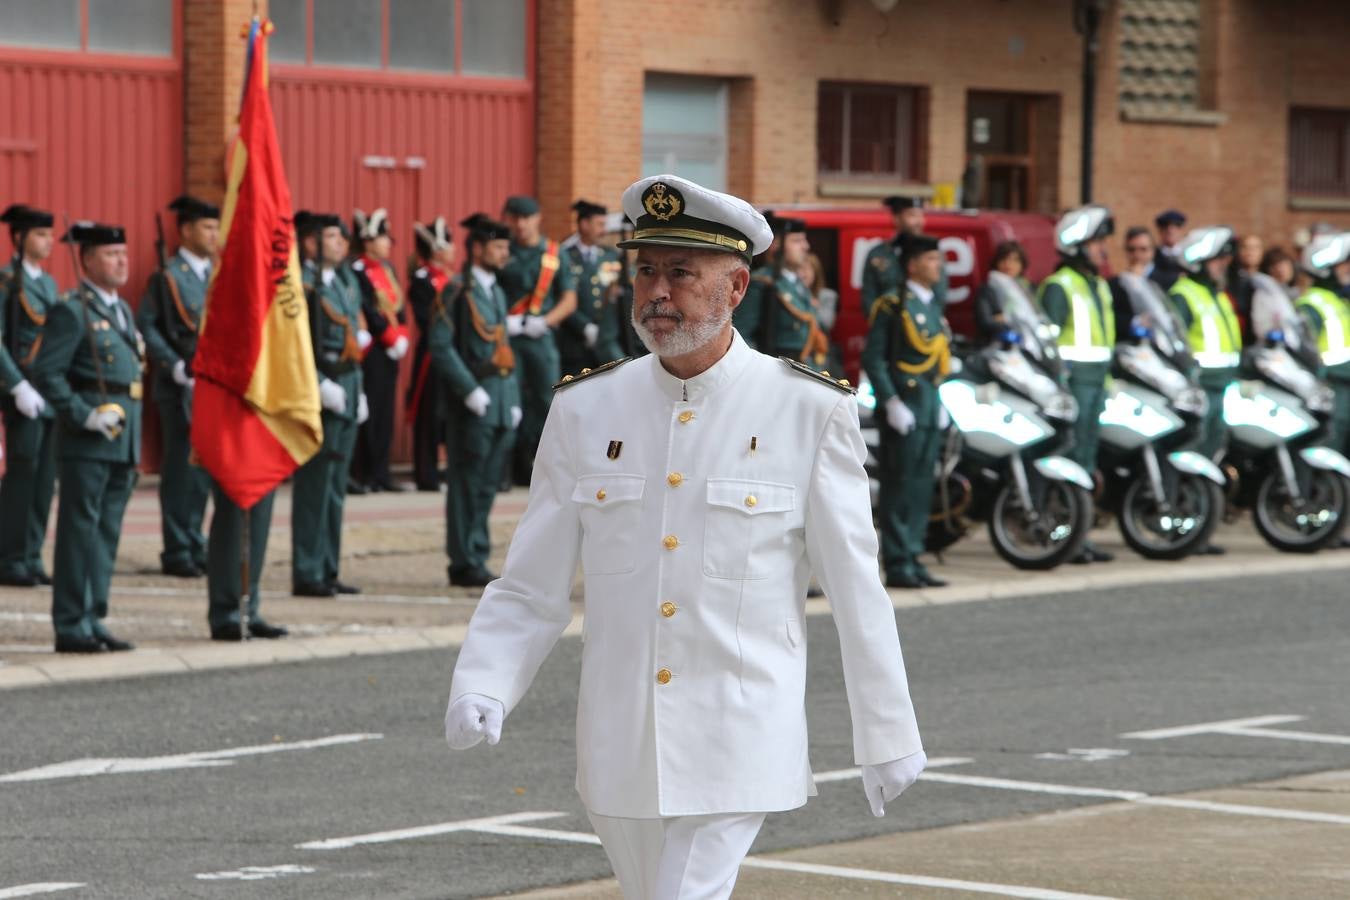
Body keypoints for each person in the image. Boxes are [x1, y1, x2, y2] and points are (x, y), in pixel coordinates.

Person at [443, 175, 925, 900]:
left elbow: (858, 589)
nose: (657, 293)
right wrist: (485, 679)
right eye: (645, 271)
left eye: (680, 273)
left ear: (735, 288)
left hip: (739, 730)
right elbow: (531, 580)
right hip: (619, 738)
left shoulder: (806, 410)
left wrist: (888, 734)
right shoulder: (586, 408)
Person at [29, 222, 141, 653]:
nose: (121, 262)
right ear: (88, 259)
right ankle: (72, 623)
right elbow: (47, 372)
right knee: (80, 531)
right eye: (111, 255)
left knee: (106, 531)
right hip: (88, 438)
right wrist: (82, 414)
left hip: (120, 436)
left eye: (123, 254)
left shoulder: (121, 309)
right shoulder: (72, 310)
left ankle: (94, 615)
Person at [429, 214, 521, 588]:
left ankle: (478, 552)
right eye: (498, 247)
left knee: (486, 485)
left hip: (498, 399)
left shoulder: (496, 292)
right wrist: (468, 390)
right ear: (479, 248)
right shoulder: (456, 290)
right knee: (465, 484)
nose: (504, 254)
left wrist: (512, 398)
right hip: (473, 402)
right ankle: (463, 559)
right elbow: (440, 345)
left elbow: (502, 347)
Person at [862, 232, 951, 589]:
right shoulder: (892, 304)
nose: (938, 266)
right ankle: (897, 562)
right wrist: (891, 401)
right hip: (905, 402)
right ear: (913, 265)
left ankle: (914, 555)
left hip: (927, 403)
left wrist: (938, 400)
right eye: (931, 260)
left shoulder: (930, 305)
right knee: (899, 485)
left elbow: (935, 360)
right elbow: (875, 358)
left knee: (921, 484)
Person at [137, 194, 219, 578]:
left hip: (210, 383)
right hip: (179, 384)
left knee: (203, 470)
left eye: (217, 227)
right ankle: (176, 547)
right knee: (180, 469)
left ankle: (195, 541)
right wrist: (171, 364)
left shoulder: (217, 275)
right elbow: (148, 325)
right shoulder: (167, 276)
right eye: (207, 226)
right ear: (185, 231)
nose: (214, 234)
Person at [292, 212, 367, 598]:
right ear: (310, 243)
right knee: (314, 486)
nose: (342, 244)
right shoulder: (299, 286)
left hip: (348, 385)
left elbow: (353, 334)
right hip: (320, 390)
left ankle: (328, 566)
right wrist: (319, 385)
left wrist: (360, 391)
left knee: (335, 486)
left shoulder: (343, 280)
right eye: (333, 237)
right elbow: (295, 344)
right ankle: (307, 569)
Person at [1038, 204, 1117, 564]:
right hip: (1073, 384)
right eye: (1098, 241)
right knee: (1068, 458)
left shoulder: (1098, 284)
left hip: (1096, 381)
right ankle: (1061, 534)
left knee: (1086, 460)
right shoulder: (1059, 285)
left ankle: (1079, 538)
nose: (1104, 248)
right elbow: (1048, 342)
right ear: (1078, 244)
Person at [498, 194, 578, 484]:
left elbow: (569, 299)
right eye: (514, 218)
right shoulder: (502, 250)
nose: (520, 225)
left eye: (525, 218)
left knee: (546, 402)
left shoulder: (554, 254)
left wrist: (545, 320)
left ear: (537, 218)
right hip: (506, 338)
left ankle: (539, 467)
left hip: (540, 338)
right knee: (509, 400)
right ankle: (506, 469)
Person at [0, 204, 59, 588]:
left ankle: (32, 553)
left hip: (49, 392)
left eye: (50, 234)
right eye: (40, 234)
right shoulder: (7, 281)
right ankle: (9, 556)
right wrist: (15, 384)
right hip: (23, 390)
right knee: (22, 477)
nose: (48, 241)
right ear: (19, 238)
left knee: (44, 478)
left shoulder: (49, 284)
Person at [349, 208, 410, 493]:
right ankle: (365, 473)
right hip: (372, 350)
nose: (388, 244)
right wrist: (387, 337)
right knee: (369, 411)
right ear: (368, 239)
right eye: (383, 238)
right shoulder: (357, 270)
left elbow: (397, 306)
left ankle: (381, 472)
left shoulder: (387, 270)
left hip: (391, 351)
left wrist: (403, 335)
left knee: (385, 412)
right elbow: (366, 309)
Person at [734, 215, 829, 368]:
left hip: (805, 369)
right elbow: (743, 336)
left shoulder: (799, 285)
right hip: (777, 370)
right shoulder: (763, 283)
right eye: (797, 241)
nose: (806, 246)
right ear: (776, 245)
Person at [407, 216, 458, 491]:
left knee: (448, 413)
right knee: (428, 413)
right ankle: (425, 473)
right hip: (431, 356)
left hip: (453, 354)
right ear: (437, 248)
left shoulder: (452, 279)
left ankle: (447, 469)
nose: (453, 250)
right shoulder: (422, 280)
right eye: (449, 244)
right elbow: (427, 320)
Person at [1295, 232, 1350, 453]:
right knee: (1330, 448)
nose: (1349, 268)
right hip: (1331, 387)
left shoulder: (1338, 300)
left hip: (1344, 386)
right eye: (1344, 263)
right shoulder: (1311, 303)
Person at [557, 199, 625, 375]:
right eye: (599, 224)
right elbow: (559, 297)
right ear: (584, 224)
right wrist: (584, 327)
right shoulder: (564, 256)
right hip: (574, 342)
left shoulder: (610, 255)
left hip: (607, 339)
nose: (604, 231)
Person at [861, 194, 945, 318]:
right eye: (912, 215)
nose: (919, 221)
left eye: (921, 215)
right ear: (896, 218)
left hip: (922, 329)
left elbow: (939, 297)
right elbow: (869, 301)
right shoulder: (878, 254)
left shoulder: (932, 253)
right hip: (888, 327)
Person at [973, 240, 1032, 345]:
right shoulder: (988, 289)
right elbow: (985, 321)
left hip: (1025, 344)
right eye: (1004, 259)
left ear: (1022, 264)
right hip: (997, 344)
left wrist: (1002, 318)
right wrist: (1007, 320)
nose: (1008, 264)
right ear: (997, 262)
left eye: (1015, 260)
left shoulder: (1026, 288)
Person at [1150, 208, 1187, 291]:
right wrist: (1177, 277)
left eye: (1176, 226)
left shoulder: (1189, 254)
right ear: (1160, 231)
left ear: (1181, 230)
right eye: (1165, 227)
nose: (1170, 230)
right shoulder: (1152, 255)